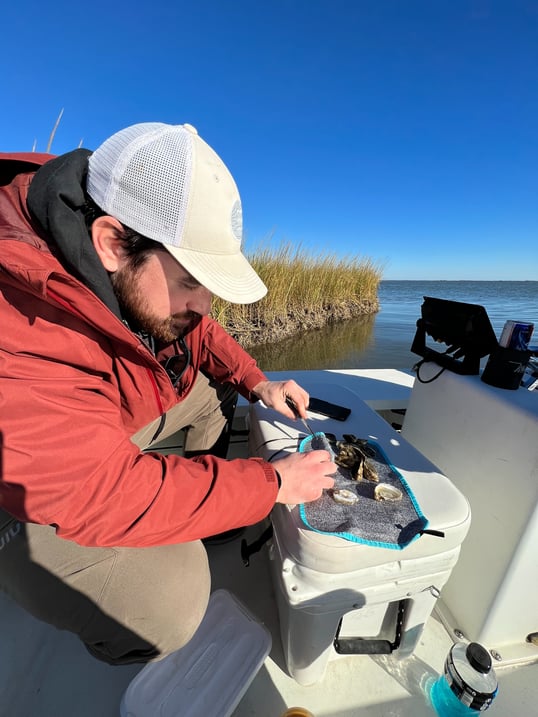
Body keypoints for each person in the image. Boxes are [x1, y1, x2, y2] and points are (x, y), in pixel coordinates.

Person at [0, 122, 335, 665]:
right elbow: (99, 491)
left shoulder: (116, 257)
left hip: (105, 423)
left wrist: (257, 381)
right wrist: (270, 483)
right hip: (20, 497)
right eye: (189, 281)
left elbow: (196, 328)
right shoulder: (19, 318)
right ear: (112, 242)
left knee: (211, 396)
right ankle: (117, 632)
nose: (204, 304)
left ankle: (195, 511)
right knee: (172, 600)